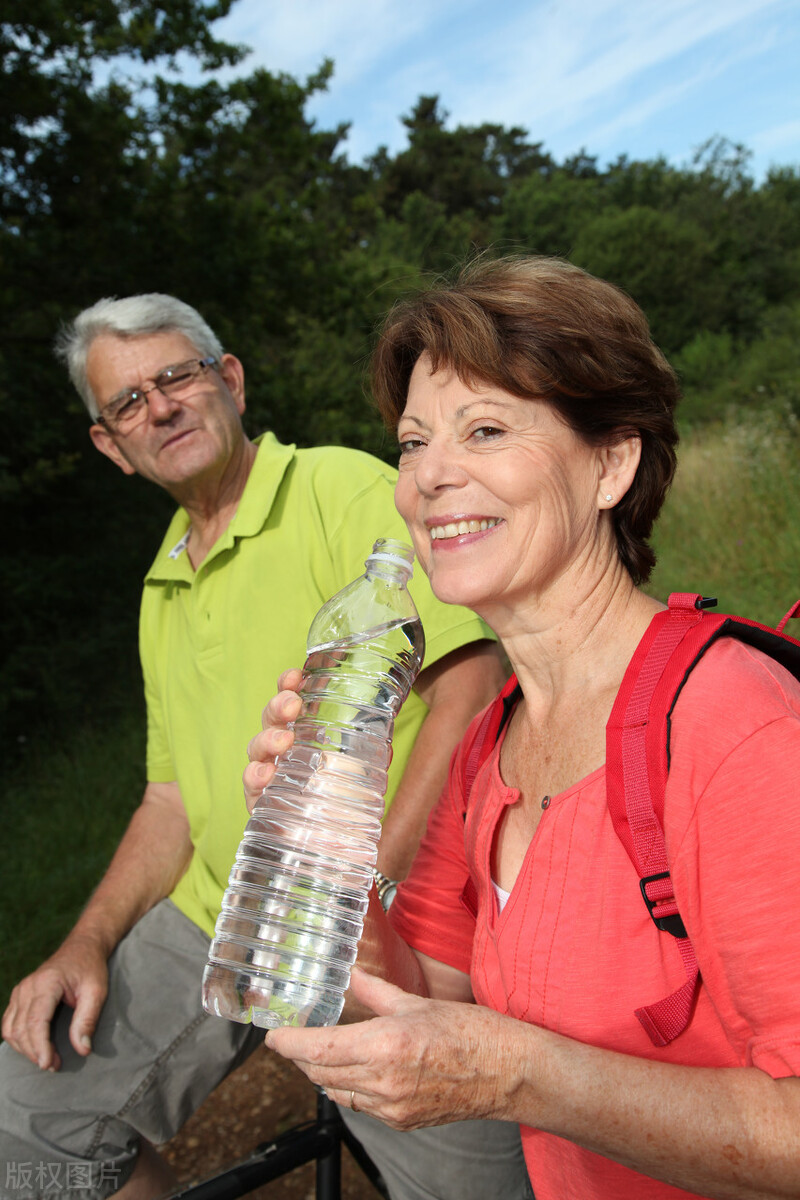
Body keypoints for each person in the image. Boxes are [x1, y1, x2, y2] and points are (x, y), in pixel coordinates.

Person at [245, 255, 800, 1200]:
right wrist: (324, 855)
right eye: (412, 442)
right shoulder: (488, 749)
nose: (429, 477)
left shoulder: (735, 729)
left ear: (612, 464)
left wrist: (519, 1076)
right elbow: (426, 996)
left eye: (486, 430)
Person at [0, 294, 529, 1200]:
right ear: (110, 445)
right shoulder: (161, 582)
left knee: (471, 1186)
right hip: (221, 913)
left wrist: (367, 891)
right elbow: (169, 802)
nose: (160, 407)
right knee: (23, 1122)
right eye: (128, 402)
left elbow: (472, 684)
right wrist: (85, 942)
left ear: (231, 382)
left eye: (176, 375)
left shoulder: (340, 488)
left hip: (374, 913)